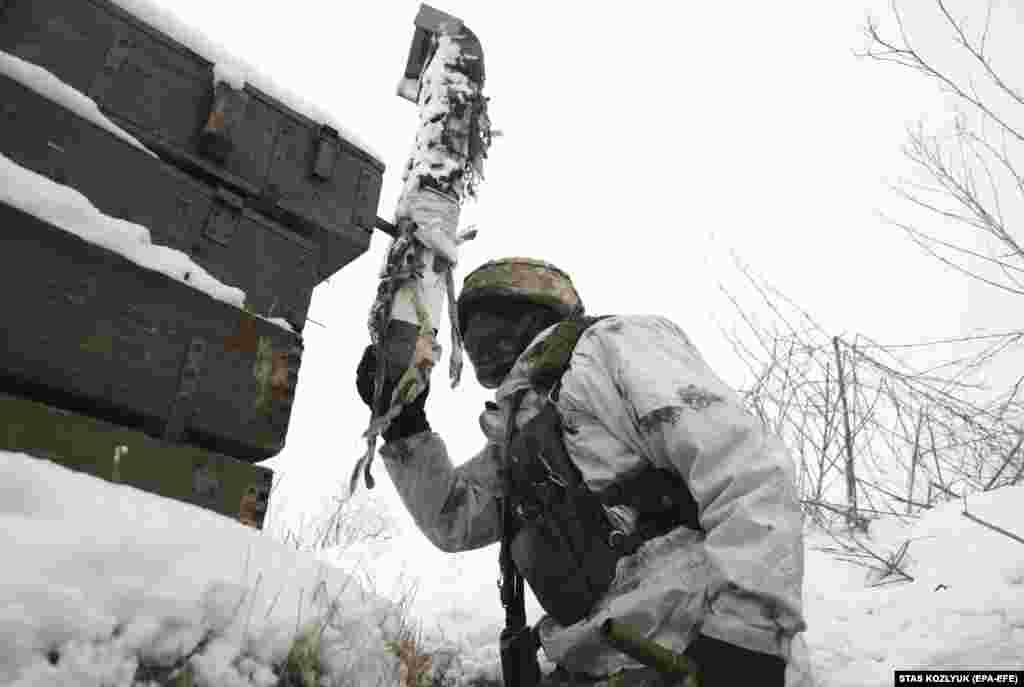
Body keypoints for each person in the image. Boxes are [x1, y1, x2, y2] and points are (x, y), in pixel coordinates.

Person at [356, 257, 807, 686]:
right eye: (469, 329)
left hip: (698, 645)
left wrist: (747, 638)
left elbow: (744, 467)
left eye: (492, 318)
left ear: (536, 314)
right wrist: (405, 427)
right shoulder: (518, 431)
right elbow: (454, 519)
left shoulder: (613, 345)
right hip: (604, 662)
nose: (477, 340)